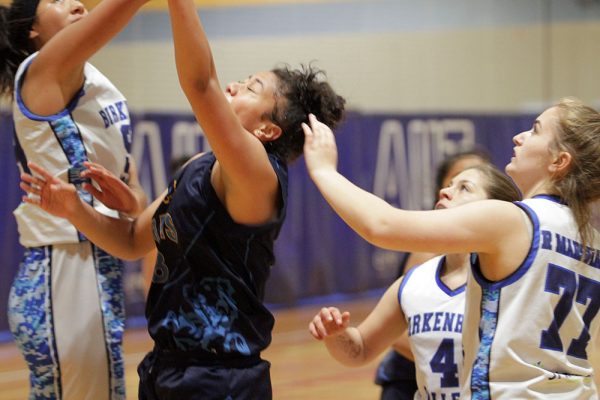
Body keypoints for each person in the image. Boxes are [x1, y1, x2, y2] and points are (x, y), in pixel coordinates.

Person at [18, 0, 346, 397]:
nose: (234, 85)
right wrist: (74, 208)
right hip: (166, 369)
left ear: (268, 130)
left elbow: (201, 83)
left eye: (251, 88)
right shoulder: (198, 165)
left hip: (221, 376)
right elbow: (130, 240)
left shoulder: (259, 174)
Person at [301, 97, 600, 398]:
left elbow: (382, 225)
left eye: (535, 130)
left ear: (559, 161)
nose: (519, 136)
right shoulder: (593, 241)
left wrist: (324, 171)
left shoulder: (513, 219)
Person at [0, 0, 148, 398]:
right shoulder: (40, 71)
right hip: (62, 267)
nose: (78, 3)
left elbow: (136, 197)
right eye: (57, 0)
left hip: (99, 262)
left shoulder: (98, 86)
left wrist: (129, 202)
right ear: (32, 29)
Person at [310, 164, 521, 400]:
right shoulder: (415, 281)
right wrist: (336, 334)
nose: (445, 191)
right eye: (449, 184)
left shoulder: (513, 281)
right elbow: (359, 350)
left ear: (494, 210)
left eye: (464, 188)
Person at [376, 149, 492, 400]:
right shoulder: (427, 257)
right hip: (408, 382)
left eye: (468, 184)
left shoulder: (495, 259)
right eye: (454, 183)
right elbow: (395, 334)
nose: (453, 190)